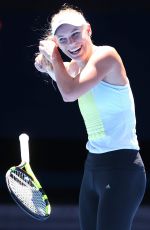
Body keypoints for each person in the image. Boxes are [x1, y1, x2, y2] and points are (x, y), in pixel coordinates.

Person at [34, 4, 146, 230]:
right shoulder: (76, 69)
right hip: (92, 169)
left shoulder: (106, 55)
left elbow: (69, 93)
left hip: (122, 170)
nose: (71, 43)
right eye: (62, 40)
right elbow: (63, 77)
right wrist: (46, 65)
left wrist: (53, 56)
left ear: (89, 30)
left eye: (76, 34)